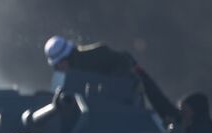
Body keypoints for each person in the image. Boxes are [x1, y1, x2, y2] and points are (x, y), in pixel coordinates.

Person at [43, 35, 180, 126]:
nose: (58, 69)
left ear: (63, 61)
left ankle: (175, 119)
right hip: (120, 88)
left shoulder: (86, 61)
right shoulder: (78, 65)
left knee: (148, 109)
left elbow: (122, 63)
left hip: (127, 83)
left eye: (57, 65)